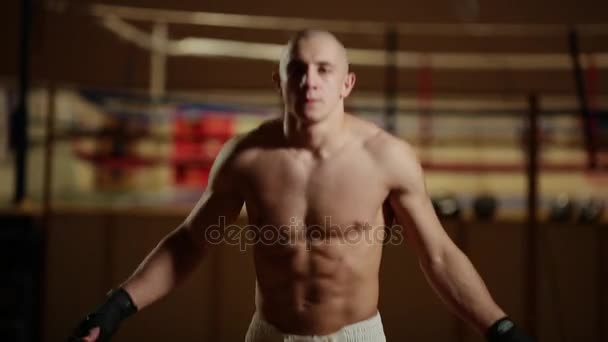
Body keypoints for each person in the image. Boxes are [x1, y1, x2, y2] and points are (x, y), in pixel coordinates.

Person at [70, 29, 534, 342]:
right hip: (271, 335)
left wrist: (501, 328)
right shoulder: (246, 157)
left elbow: (437, 255)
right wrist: (113, 311)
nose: (310, 81)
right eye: (298, 69)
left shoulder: (386, 158)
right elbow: (189, 243)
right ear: (280, 80)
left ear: (346, 83)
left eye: (324, 70)